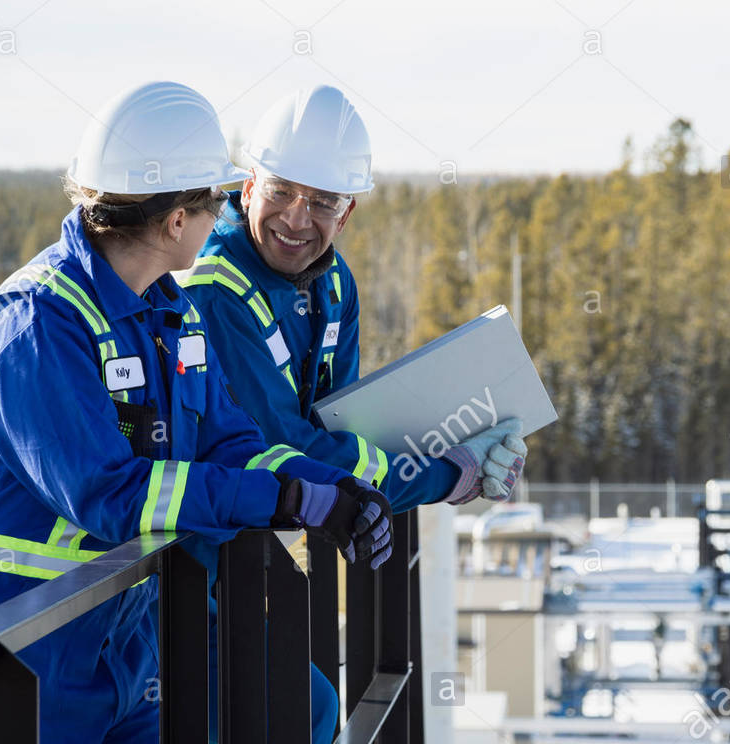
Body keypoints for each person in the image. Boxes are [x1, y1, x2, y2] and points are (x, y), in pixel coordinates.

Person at [0, 81, 390, 744]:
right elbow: (114, 496)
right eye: (216, 206)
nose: (222, 223)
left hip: (109, 655)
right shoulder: (37, 329)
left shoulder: (169, 311)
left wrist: (330, 488)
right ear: (178, 220)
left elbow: (226, 439)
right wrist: (281, 498)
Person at [178, 85, 528, 510]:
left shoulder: (335, 281)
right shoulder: (215, 292)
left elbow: (346, 426)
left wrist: (457, 445)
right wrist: (444, 475)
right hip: (218, 549)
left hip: (285, 527)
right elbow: (286, 449)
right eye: (281, 190)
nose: (296, 218)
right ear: (249, 188)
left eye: (323, 201)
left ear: (345, 215)